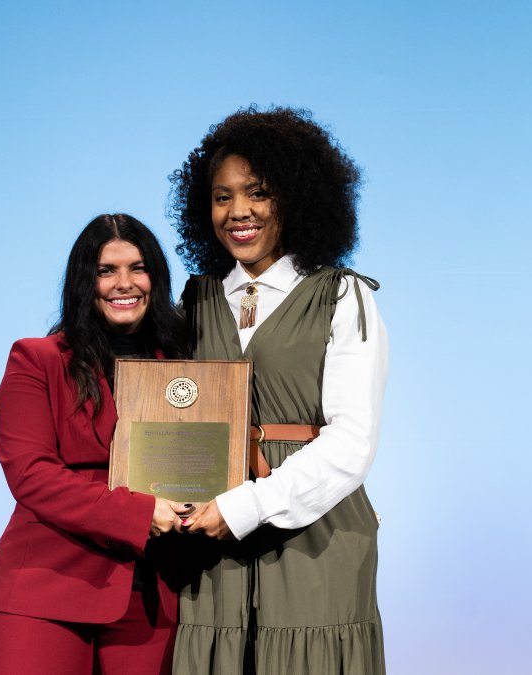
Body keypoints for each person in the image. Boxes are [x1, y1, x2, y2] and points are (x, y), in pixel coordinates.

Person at [171, 107, 390, 674]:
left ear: (295, 198)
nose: (238, 211)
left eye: (258, 193)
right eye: (222, 197)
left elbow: (352, 443)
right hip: (208, 548)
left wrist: (245, 506)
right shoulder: (192, 303)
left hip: (314, 538)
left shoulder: (342, 296)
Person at [0, 214, 192, 675]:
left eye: (138, 268)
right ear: (85, 281)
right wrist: (139, 513)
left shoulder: (186, 367)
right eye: (106, 271)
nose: (125, 283)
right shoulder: (36, 359)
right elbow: (32, 476)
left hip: (154, 599)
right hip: (45, 593)